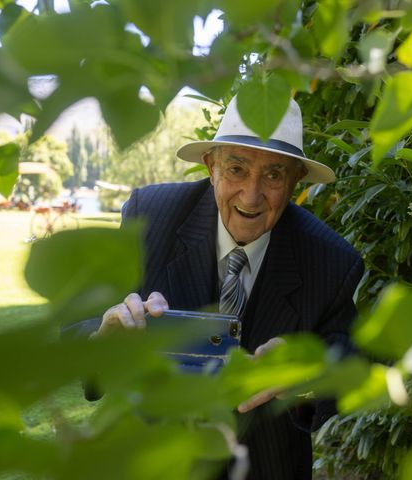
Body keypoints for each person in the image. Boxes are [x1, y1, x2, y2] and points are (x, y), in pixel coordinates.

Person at [91, 96, 363, 479]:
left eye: (273, 176)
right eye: (236, 169)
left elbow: (350, 359)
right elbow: (82, 324)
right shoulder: (149, 217)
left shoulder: (332, 259)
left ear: (296, 180)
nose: (251, 197)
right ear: (211, 166)